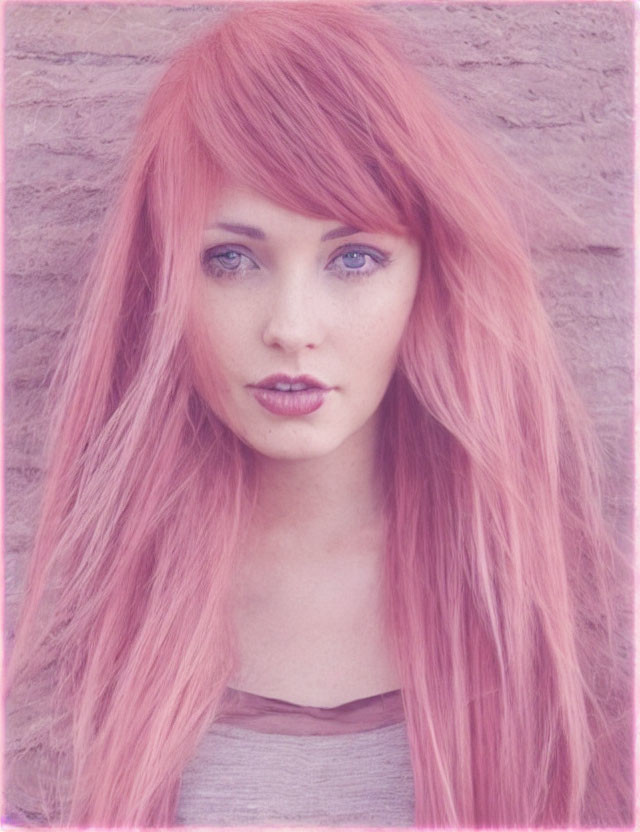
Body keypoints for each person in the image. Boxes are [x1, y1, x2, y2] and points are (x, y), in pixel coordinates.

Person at [4, 2, 632, 827]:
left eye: (354, 257)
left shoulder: (551, 606)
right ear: (164, 282)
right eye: (230, 258)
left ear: (425, 276)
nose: (291, 327)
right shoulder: (69, 623)